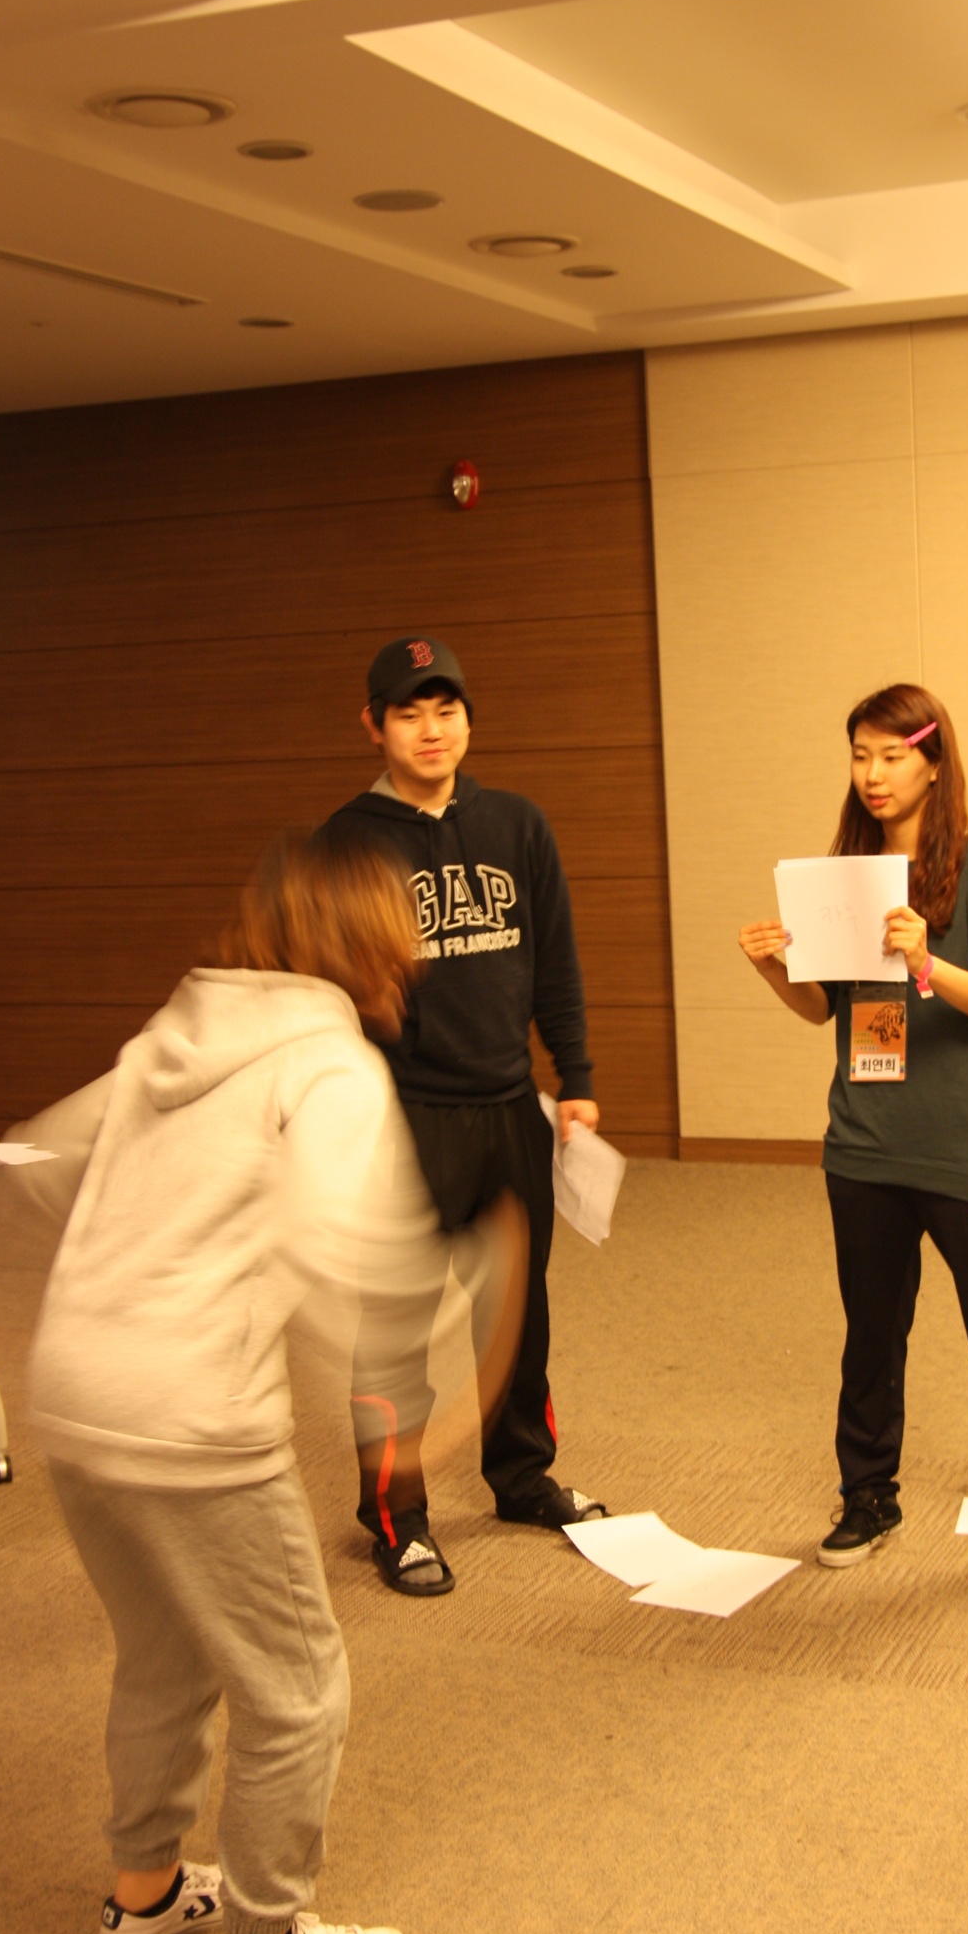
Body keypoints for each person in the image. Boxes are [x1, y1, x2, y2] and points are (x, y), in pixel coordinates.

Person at [13, 831, 524, 1934]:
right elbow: (334, 1242)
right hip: (193, 1420)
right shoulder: (328, 1065)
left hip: (75, 1397)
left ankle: (144, 1894)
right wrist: (471, 1285)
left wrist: (146, 1247)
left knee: (166, 1653)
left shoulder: (168, 1037)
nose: (412, 960)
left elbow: (35, 1167)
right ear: (365, 945)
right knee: (297, 1686)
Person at [738, 683, 968, 1590]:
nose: (873, 773)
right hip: (863, 1147)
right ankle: (867, 1496)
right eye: (860, 755)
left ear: (933, 762)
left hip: (965, 1149)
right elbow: (826, 1010)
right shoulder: (845, 873)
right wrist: (776, 968)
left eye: (892, 755)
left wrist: (928, 960)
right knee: (871, 1339)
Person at [325, 634, 607, 1599]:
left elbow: (555, 959)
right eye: (409, 712)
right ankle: (396, 1518)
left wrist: (575, 1076)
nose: (432, 729)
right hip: (404, 1121)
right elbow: (325, 992)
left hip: (509, 1109)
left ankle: (522, 1479)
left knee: (516, 1315)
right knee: (394, 1327)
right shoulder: (347, 843)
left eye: (446, 709)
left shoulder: (517, 825)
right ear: (375, 726)